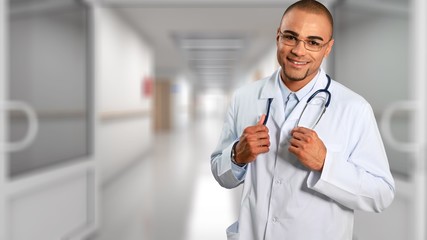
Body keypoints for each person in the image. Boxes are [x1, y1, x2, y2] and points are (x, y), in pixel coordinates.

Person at [210, 0, 395, 239]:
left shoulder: (354, 108)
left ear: (328, 48)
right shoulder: (245, 98)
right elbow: (219, 172)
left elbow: (382, 194)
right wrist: (236, 156)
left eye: (313, 42)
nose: (299, 50)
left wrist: (326, 164)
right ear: (278, 36)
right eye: (290, 37)